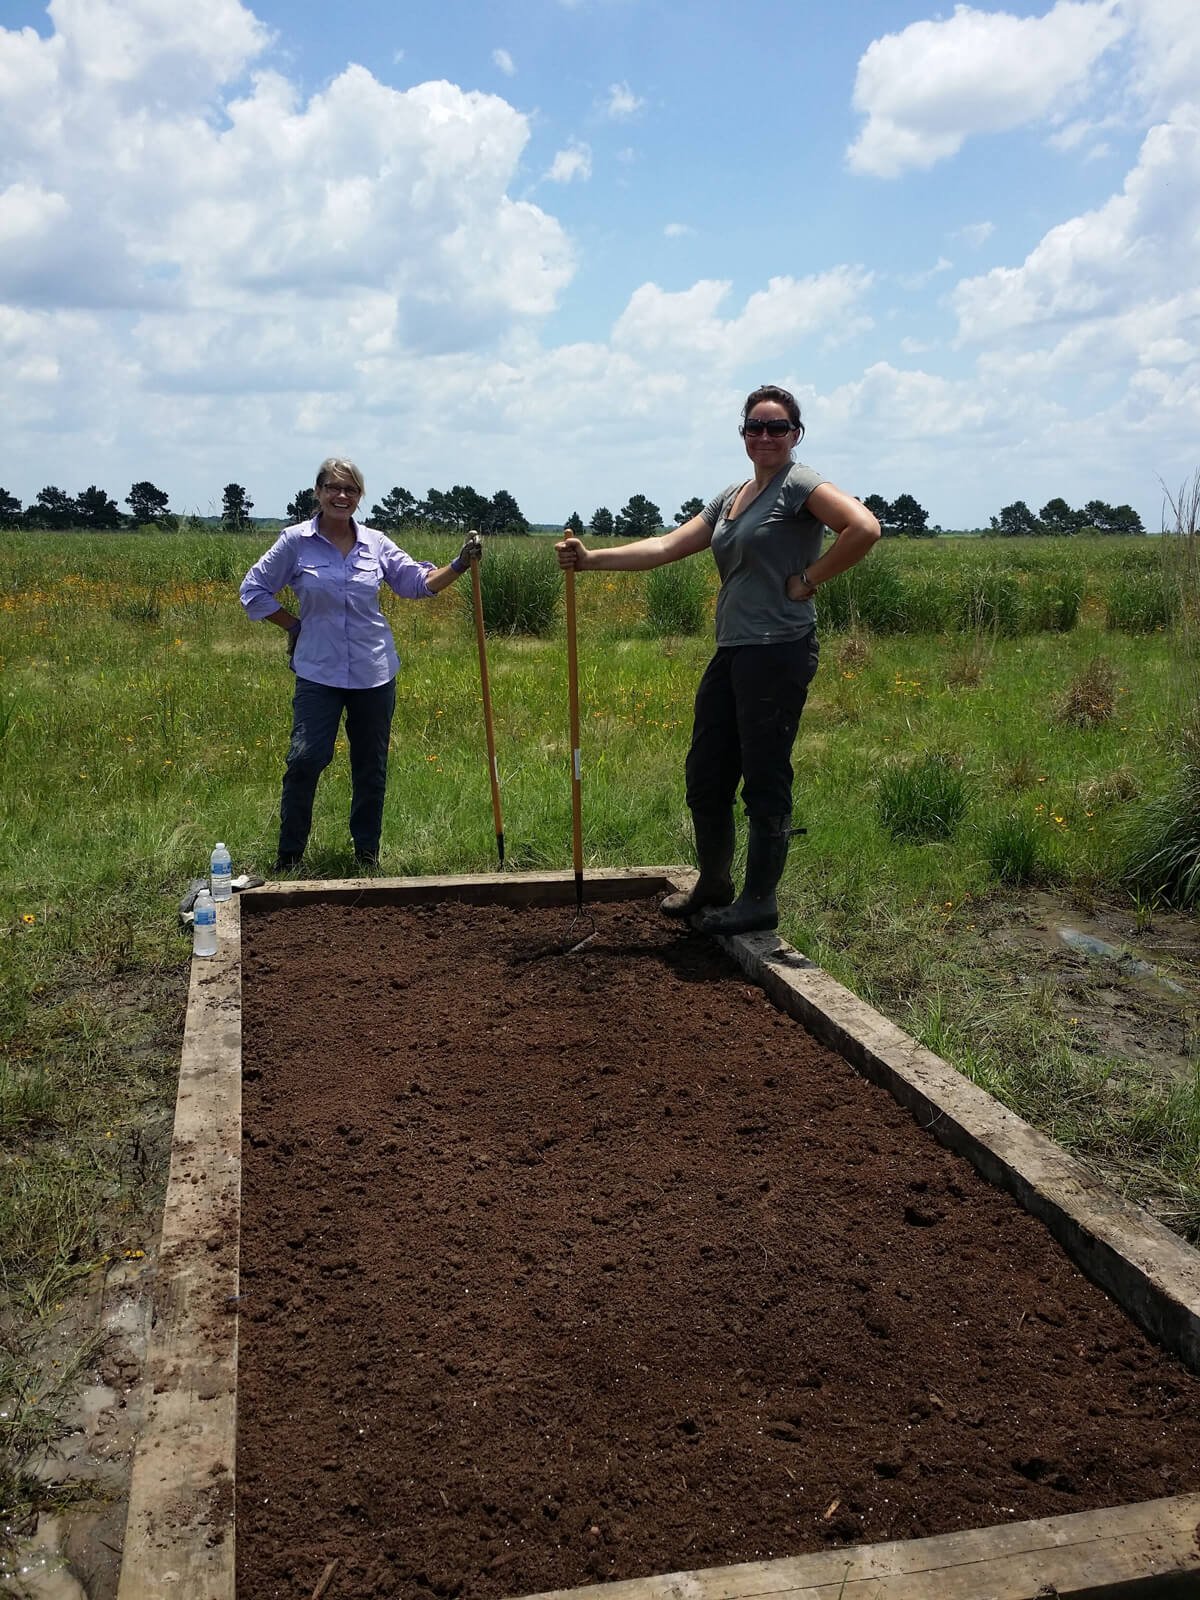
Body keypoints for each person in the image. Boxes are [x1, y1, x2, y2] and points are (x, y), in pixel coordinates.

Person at [556, 385, 880, 934]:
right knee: (706, 772)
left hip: (778, 651)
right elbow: (664, 547)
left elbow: (864, 528)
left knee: (763, 773)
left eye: (777, 427)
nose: (765, 436)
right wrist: (589, 561)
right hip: (733, 651)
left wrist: (808, 580)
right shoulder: (732, 496)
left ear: (795, 435)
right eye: (754, 426)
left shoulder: (799, 484)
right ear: (742, 434)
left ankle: (759, 900)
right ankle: (714, 881)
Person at [240, 458, 481, 871]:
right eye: (333, 487)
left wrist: (459, 564)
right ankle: (290, 856)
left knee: (371, 766)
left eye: (350, 489)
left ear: (359, 497)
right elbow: (253, 590)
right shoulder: (295, 542)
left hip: (374, 670)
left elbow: (416, 584)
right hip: (318, 670)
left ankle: (367, 855)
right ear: (317, 492)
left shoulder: (376, 543)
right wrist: (294, 625)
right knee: (305, 759)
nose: (341, 496)